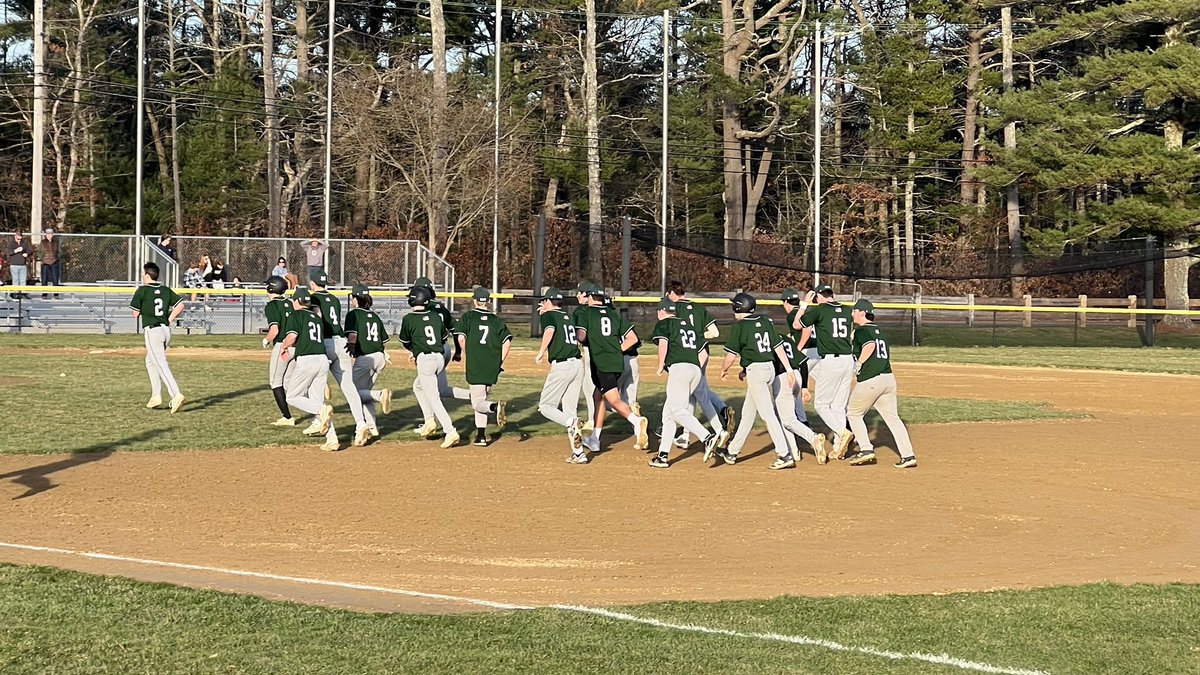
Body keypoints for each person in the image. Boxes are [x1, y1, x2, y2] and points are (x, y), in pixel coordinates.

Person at [718, 292, 799, 470]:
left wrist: (724, 370)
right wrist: (789, 368)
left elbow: (731, 355)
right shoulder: (764, 321)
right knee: (748, 414)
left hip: (756, 372)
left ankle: (784, 454)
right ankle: (732, 451)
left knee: (768, 415)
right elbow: (777, 346)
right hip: (769, 368)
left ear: (739, 307)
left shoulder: (740, 326)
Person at [574, 286, 649, 455]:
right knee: (598, 396)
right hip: (616, 362)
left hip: (602, 363)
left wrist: (579, 336)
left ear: (590, 297)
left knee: (614, 399)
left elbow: (581, 336)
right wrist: (616, 350)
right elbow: (633, 338)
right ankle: (595, 439)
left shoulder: (585, 313)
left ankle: (636, 421)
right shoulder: (613, 314)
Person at [845, 299, 918, 468]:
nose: (852, 314)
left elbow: (869, 346)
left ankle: (865, 449)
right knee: (893, 418)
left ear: (862, 313)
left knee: (853, 413)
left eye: (855, 311)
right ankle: (908, 455)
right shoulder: (879, 330)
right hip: (888, 379)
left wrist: (858, 364)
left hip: (871, 379)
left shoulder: (862, 330)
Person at [648, 298, 719, 469]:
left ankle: (707, 438)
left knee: (678, 411)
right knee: (668, 415)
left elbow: (663, 344)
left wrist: (660, 366)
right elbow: (703, 353)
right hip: (695, 369)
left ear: (661, 311)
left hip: (679, 369)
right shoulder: (688, 325)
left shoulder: (665, 324)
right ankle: (663, 455)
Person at [794, 283, 855, 463]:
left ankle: (842, 432)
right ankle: (838, 448)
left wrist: (805, 304)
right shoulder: (846, 310)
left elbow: (798, 324)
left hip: (831, 360)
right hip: (848, 360)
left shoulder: (820, 310)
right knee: (838, 406)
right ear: (832, 294)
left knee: (821, 404)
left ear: (819, 296)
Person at [665, 281, 729, 449]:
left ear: (672, 293)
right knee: (695, 393)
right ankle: (686, 436)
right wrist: (698, 336)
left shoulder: (673, 308)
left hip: (683, 355)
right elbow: (715, 333)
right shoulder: (698, 308)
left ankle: (718, 431)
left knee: (698, 394)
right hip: (702, 352)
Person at [309, 271, 368, 440]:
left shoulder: (314, 298)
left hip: (326, 342)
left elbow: (318, 317)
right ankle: (361, 423)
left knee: (315, 385)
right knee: (349, 387)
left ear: (313, 283)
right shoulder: (334, 299)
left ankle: (320, 423)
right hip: (341, 342)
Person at [278, 288, 338, 451]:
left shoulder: (295, 315)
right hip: (322, 359)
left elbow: (292, 337)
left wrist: (283, 347)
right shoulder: (317, 318)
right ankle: (332, 438)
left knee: (292, 396)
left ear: (296, 301)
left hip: (308, 360)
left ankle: (321, 410)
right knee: (316, 402)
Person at [399, 285, 458, 448]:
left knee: (434, 398)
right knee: (418, 386)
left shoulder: (409, 318)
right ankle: (429, 421)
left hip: (426, 360)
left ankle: (450, 430)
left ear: (413, 300)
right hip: (439, 357)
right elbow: (443, 336)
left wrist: (414, 350)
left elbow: (405, 341)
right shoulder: (434, 316)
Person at [453, 287, 512, 447]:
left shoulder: (469, 317)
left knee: (477, 402)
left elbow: (461, 339)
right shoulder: (496, 320)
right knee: (480, 398)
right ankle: (480, 436)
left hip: (476, 363)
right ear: (488, 302)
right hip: (491, 364)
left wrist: (468, 353)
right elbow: (507, 342)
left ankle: (494, 407)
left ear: (474, 301)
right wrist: (498, 361)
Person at [534, 287, 585, 462]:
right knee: (570, 410)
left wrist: (541, 352)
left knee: (546, 406)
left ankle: (572, 423)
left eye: (544, 301)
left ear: (548, 302)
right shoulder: (567, 316)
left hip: (562, 365)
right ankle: (579, 454)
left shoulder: (548, 316)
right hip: (578, 364)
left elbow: (549, 331)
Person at [129, 262, 186, 413]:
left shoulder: (142, 290)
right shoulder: (165, 289)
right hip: (166, 330)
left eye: (143, 274)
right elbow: (180, 305)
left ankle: (176, 394)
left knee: (160, 364)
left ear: (147, 275)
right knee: (150, 361)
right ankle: (156, 396)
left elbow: (135, 313)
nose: (142, 276)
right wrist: (169, 318)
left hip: (153, 331)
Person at [345, 284, 393, 446]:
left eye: (353, 297)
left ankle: (380, 396)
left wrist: (351, 353)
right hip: (380, 356)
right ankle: (373, 427)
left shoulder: (353, 314)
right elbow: (383, 339)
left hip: (365, 358)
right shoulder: (374, 316)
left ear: (356, 299)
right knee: (363, 393)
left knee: (353, 392)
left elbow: (352, 337)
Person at [262, 275, 295, 426]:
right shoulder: (290, 302)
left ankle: (287, 417)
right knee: (287, 382)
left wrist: (266, 340)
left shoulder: (272, 305)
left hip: (282, 345)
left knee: (275, 382)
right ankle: (316, 410)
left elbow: (274, 330)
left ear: (271, 288)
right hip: (295, 345)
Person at [572, 283, 599, 431]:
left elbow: (580, 336)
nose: (577, 295)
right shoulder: (606, 309)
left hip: (591, 351)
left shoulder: (581, 311)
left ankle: (592, 420)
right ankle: (630, 411)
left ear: (587, 295)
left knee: (589, 387)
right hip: (612, 352)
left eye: (580, 293)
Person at [6, 232, 31, 298]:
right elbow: (8, 252)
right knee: (15, 280)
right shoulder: (11, 243)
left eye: (20, 238)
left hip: (23, 264)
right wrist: (16, 250)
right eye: (18, 238)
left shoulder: (24, 243)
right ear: (15, 236)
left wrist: (27, 254)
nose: (19, 240)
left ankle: (23, 293)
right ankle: (16, 293)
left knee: (23, 280)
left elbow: (30, 251)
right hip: (14, 264)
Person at [40, 228, 61, 297]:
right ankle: (44, 293)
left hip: (54, 262)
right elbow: (39, 252)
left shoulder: (56, 242)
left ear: (52, 235)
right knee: (44, 279)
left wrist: (57, 258)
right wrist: (42, 258)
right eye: (48, 234)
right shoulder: (42, 242)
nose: (49, 235)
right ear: (46, 235)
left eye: (50, 234)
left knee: (55, 279)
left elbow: (60, 251)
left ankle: (56, 293)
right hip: (45, 263)